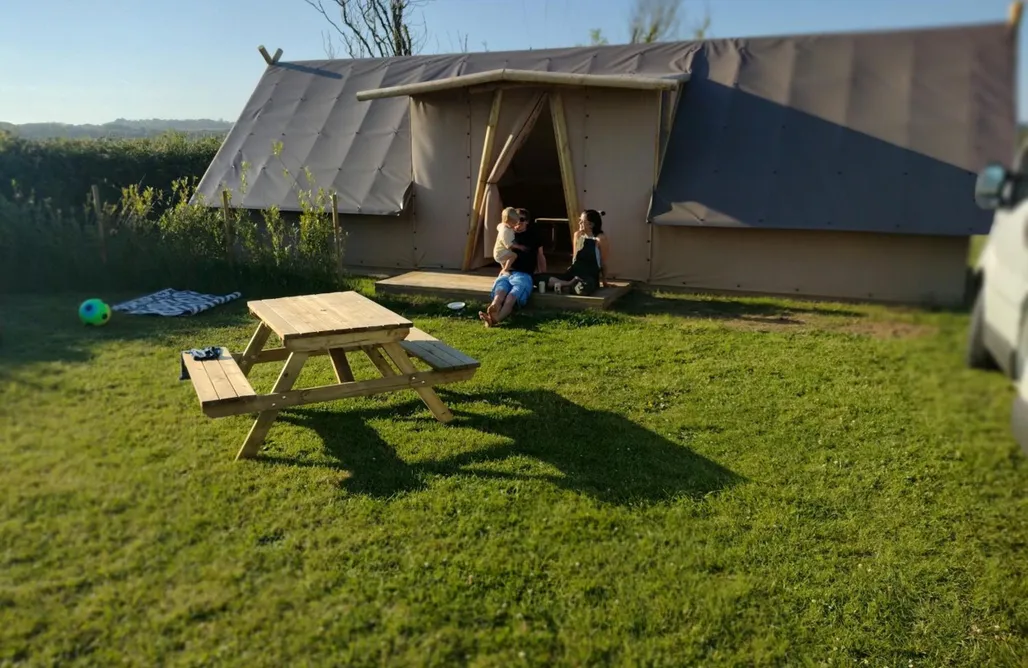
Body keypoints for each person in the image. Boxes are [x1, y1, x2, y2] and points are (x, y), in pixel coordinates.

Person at [479, 209, 546, 327]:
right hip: (507, 272)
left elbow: (540, 255)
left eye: (521, 220)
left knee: (511, 297)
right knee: (499, 294)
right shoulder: (507, 233)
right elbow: (500, 251)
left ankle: (496, 319)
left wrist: (543, 275)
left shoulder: (533, 236)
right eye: (515, 219)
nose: (518, 222)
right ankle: (492, 312)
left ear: (527, 222)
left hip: (523, 274)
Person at [544, 209, 611, 295]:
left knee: (582, 288)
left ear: (591, 225)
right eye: (580, 221)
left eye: (582, 222)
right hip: (574, 272)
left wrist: (604, 281)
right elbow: (574, 257)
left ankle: (563, 286)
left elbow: (602, 263)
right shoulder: (578, 235)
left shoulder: (600, 238)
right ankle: (567, 285)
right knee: (539, 278)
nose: (579, 223)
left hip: (588, 276)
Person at [493, 206, 528, 274]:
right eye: (513, 224)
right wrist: (519, 247)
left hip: (498, 252)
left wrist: (511, 228)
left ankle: (504, 273)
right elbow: (508, 245)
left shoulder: (503, 225)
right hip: (501, 253)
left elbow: (498, 226)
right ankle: (505, 269)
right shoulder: (505, 231)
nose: (515, 225)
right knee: (513, 256)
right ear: (506, 221)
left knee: (505, 271)